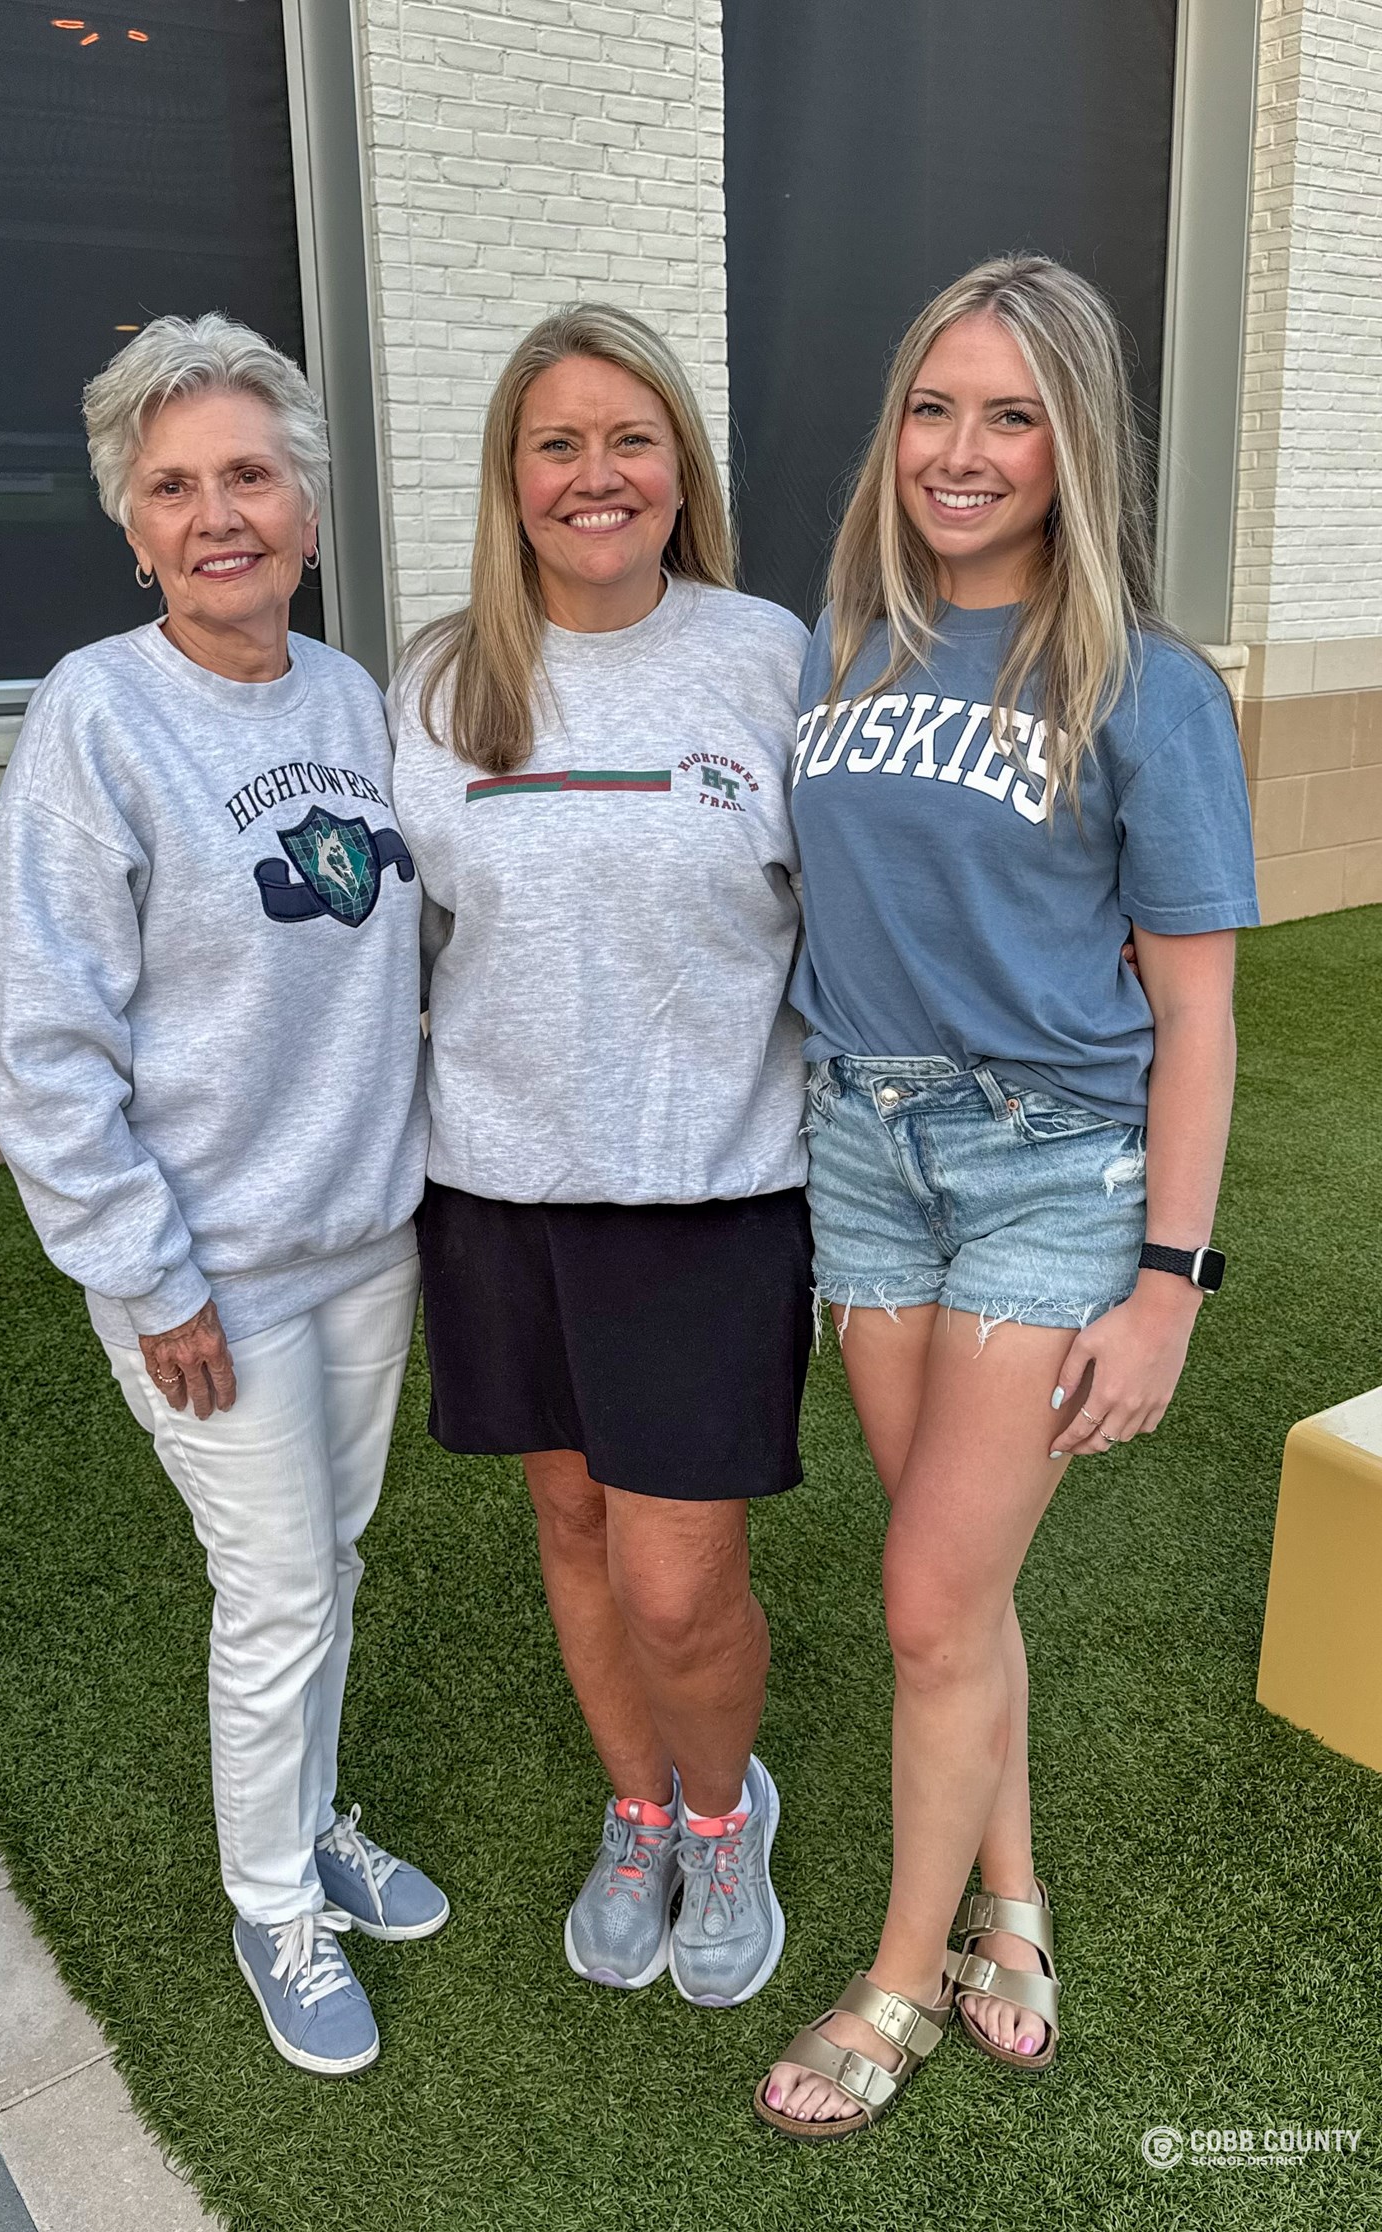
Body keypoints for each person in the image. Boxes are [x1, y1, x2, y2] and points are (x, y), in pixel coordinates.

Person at [756, 256, 1259, 2138]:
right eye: (936, 408)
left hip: (1050, 1166)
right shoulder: (842, 641)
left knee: (925, 1591)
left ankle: (901, 1980)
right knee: (948, 1595)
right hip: (866, 1155)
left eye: (1013, 416)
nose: (962, 454)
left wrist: (1170, 1285)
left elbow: (1198, 1005)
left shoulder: (1141, 681)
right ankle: (1017, 1906)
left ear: (1079, 446)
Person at [0, 313, 447, 2079]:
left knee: (329, 1557)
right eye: (174, 488)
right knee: (281, 1591)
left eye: (248, 473)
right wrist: (148, 1276)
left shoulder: (350, 699)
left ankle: (309, 1814)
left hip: (362, 1242)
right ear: (133, 528)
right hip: (209, 1275)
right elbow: (38, 1036)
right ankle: (272, 1902)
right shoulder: (97, 717)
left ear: (307, 508)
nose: (217, 513)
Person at [391, 306, 811, 2009]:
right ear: (510, 475)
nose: (595, 475)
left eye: (629, 439)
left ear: (682, 468)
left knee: (677, 1569)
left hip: (708, 1200)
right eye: (557, 443)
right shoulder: (435, 680)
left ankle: (728, 1811)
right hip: (495, 1193)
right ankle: (636, 1806)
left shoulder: (770, 654)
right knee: (570, 1522)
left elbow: (846, 918)